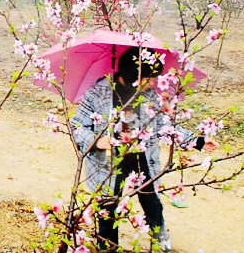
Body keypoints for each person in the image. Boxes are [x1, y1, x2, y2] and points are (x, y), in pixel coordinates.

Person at [70, 46, 218, 252]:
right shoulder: (98, 93)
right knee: (107, 207)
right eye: (148, 78)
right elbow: (77, 125)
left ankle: (161, 238)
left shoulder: (149, 96)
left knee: (152, 203)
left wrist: (198, 141)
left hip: (142, 159)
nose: (153, 83)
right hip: (108, 164)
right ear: (132, 74)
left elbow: (165, 127)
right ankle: (107, 246)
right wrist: (96, 141)